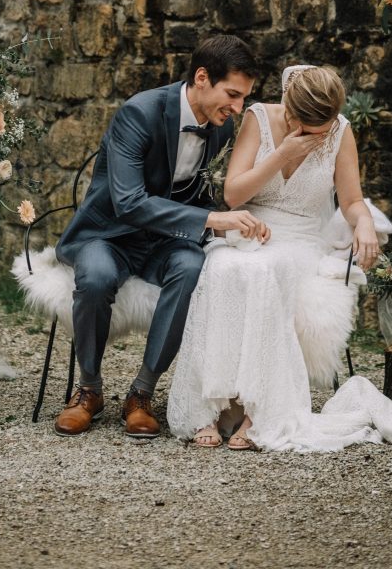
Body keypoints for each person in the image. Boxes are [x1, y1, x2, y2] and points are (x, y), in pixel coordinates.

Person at [167, 64, 392, 451]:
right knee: (222, 266)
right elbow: (233, 195)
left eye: (323, 128)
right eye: (309, 128)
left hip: (300, 239)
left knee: (265, 269)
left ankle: (257, 411)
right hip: (248, 225)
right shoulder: (258, 118)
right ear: (289, 108)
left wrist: (365, 222)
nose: (317, 135)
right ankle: (212, 406)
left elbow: (351, 200)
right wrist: (282, 153)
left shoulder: (340, 131)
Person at [53, 34, 267, 439]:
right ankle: (89, 390)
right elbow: (129, 203)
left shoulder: (221, 128)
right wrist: (211, 219)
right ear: (201, 77)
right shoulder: (140, 112)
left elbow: (203, 194)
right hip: (110, 234)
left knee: (192, 264)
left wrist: (229, 223)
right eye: (233, 95)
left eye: (243, 98)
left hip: (164, 242)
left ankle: (141, 394)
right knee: (96, 276)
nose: (238, 108)